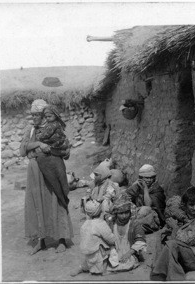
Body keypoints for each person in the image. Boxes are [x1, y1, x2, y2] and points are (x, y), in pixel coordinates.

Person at [20, 99, 73, 255]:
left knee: (57, 200)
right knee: (38, 203)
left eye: (37, 115)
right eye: (33, 114)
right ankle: (41, 240)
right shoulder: (30, 130)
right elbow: (22, 150)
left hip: (52, 169)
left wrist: (65, 150)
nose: (34, 117)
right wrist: (38, 144)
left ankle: (62, 239)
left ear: (44, 115)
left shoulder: (54, 127)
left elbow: (65, 147)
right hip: (35, 172)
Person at [150, 186, 195, 281]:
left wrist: (175, 227)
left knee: (172, 245)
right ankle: (159, 269)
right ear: (186, 205)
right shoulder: (192, 215)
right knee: (163, 236)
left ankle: (174, 278)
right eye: (191, 205)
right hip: (192, 252)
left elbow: (188, 240)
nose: (194, 208)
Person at [70, 199, 117, 277]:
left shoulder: (85, 223)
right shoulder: (100, 223)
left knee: (88, 262)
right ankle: (104, 271)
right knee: (105, 255)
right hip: (96, 250)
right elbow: (109, 237)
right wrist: (114, 242)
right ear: (100, 211)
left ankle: (81, 268)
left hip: (86, 249)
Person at [106, 194, 148, 273]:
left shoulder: (134, 224)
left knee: (128, 263)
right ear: (116, 213)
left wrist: (128, 253)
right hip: (114, 253)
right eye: (121, 213)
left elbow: (141, 241)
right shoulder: (111, 223)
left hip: (129, 253)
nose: (124, 216)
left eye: (126, 212)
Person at [126, 164, 166, 232]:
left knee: (144, 210)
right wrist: (133, 186)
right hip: (138, 213)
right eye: (146, 178)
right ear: (141, 178)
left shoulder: (157, 189)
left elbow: (148, 206)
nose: (149, 180)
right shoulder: (138, 185)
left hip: (153, 217)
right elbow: (127, 197)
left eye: (151, 177)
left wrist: (145, 189)